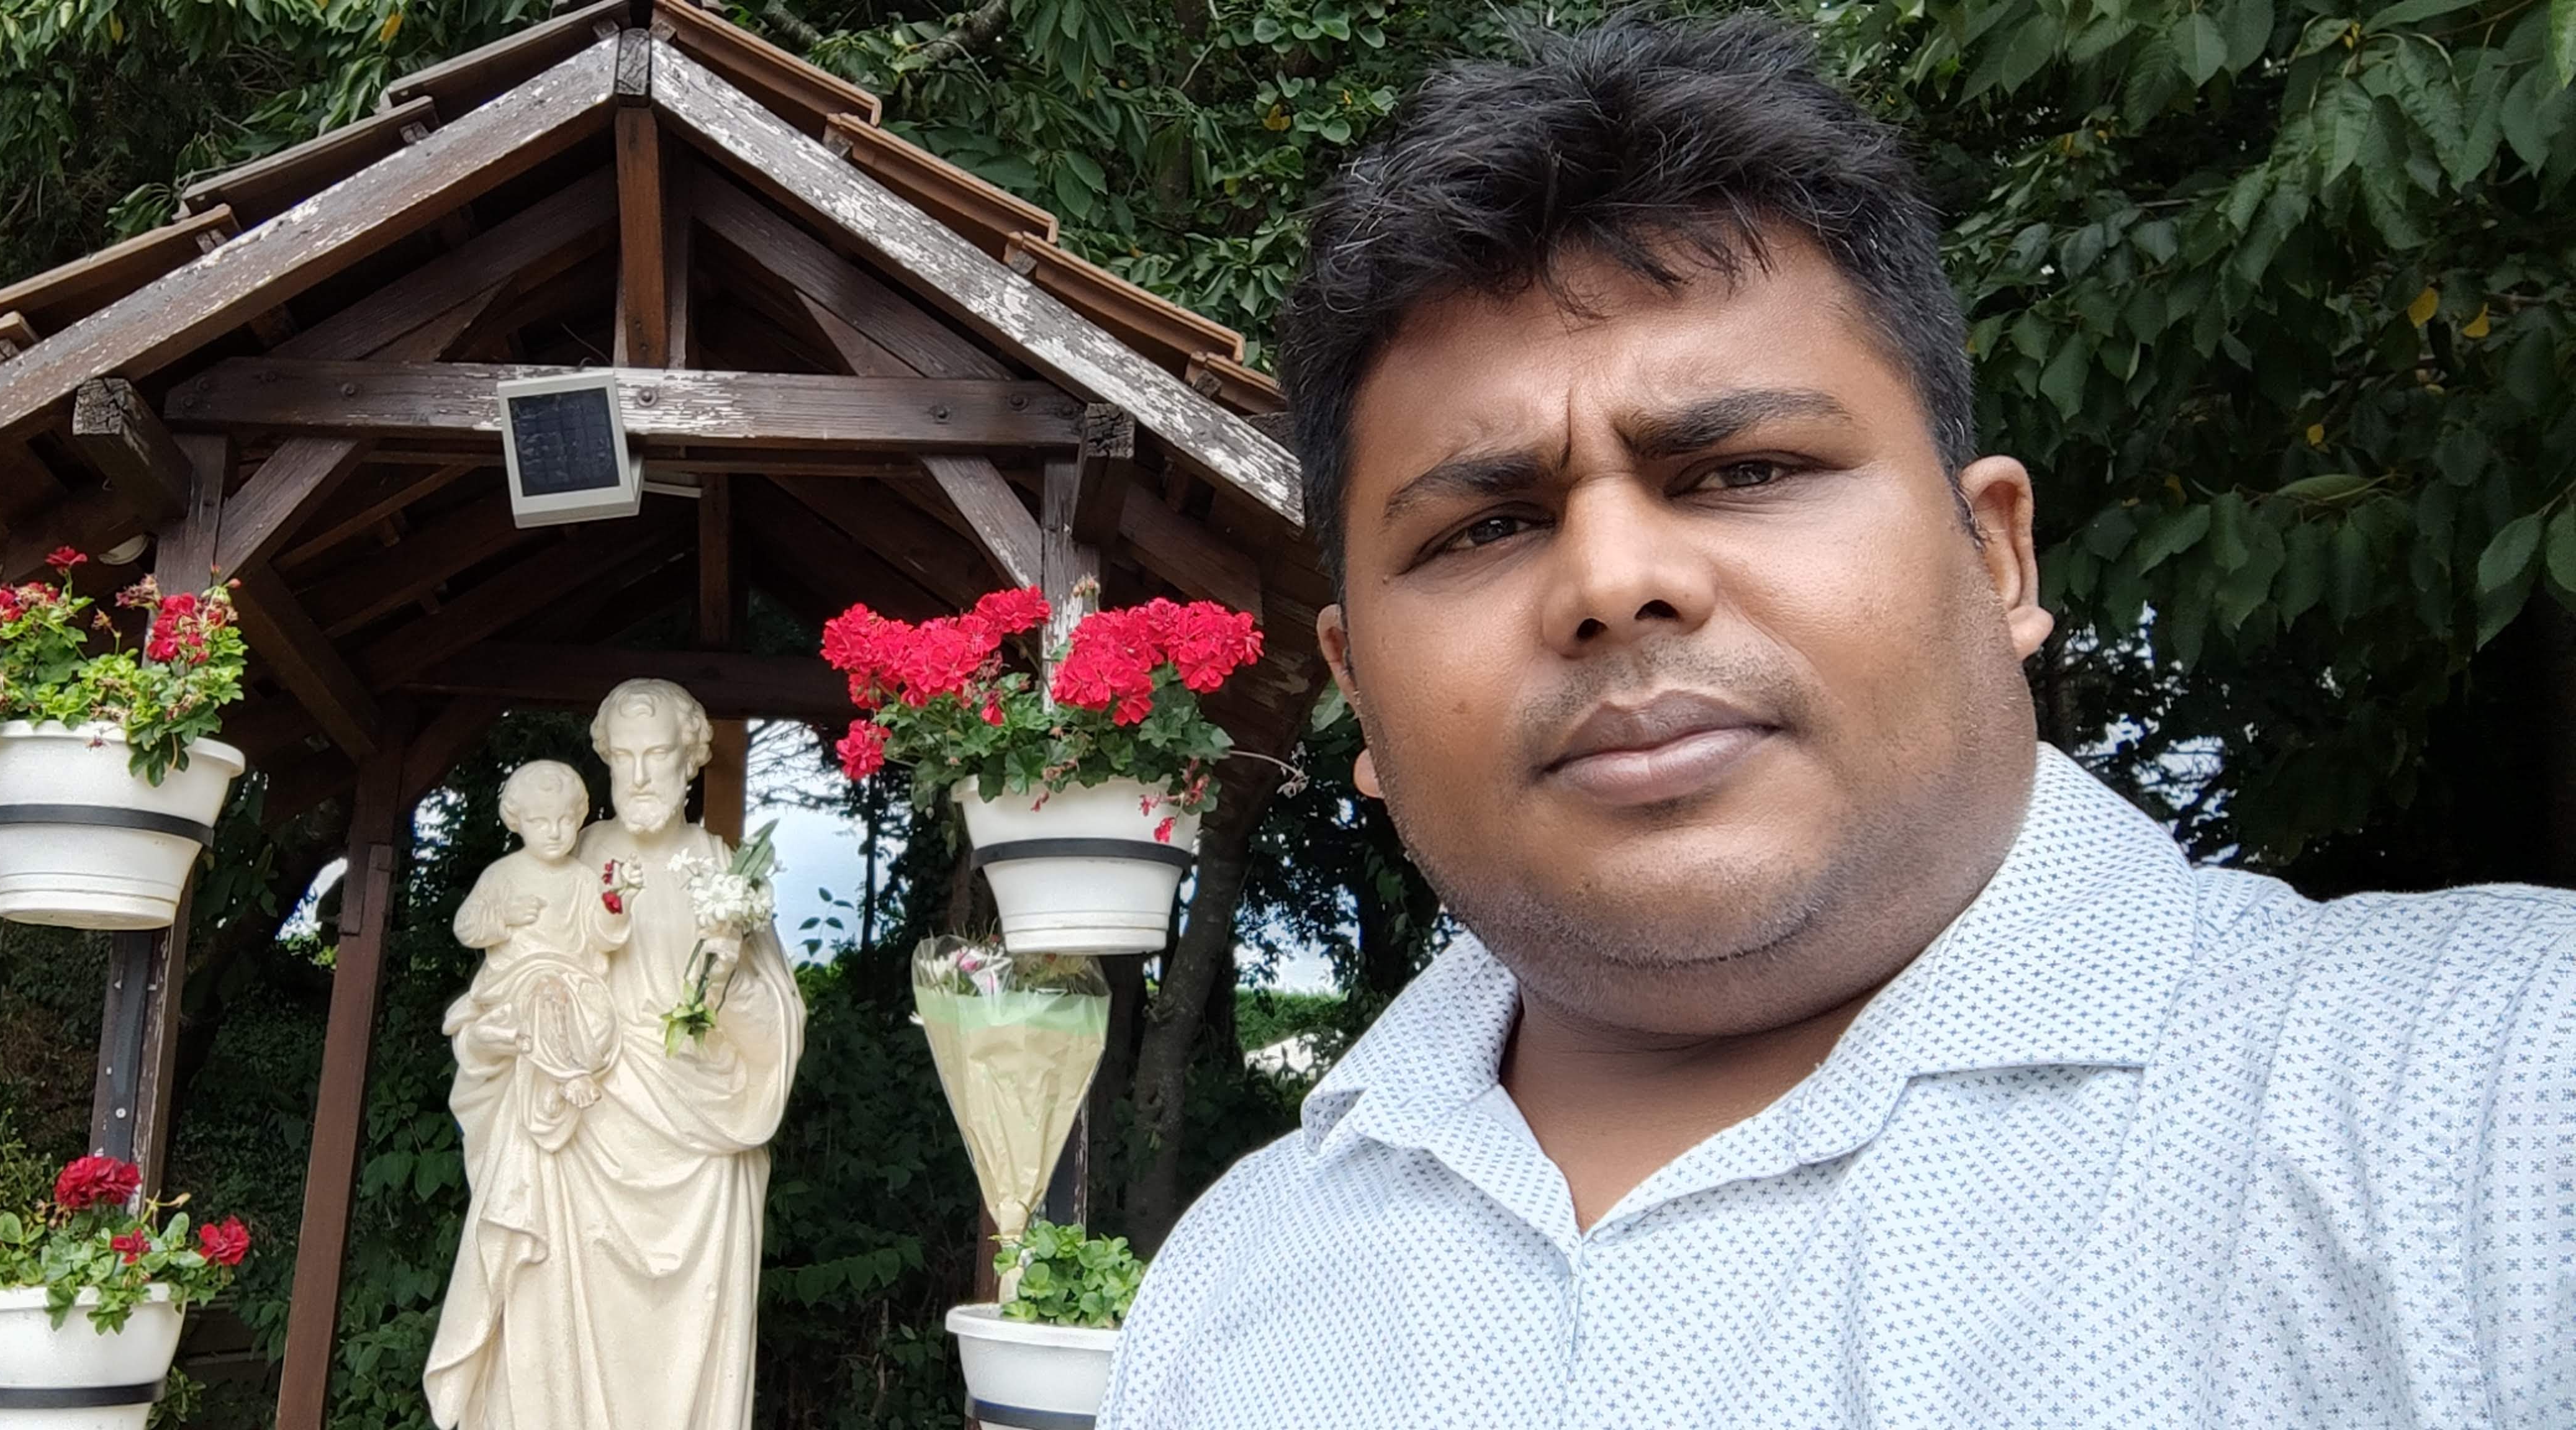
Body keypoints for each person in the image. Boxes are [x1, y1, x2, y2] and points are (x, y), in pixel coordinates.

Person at [1100, 14, 2575, 1428]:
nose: (1612, 582)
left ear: (1995, 559)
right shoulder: (1230, 1281)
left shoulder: (2489, 1098)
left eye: (1742, 470)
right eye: (1484, 528)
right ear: (1357, 689)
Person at [423, 680, 805, 1430]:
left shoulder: (725, 874)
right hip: (578, 1133)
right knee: (548, 1332)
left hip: (696, 1144)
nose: (637, 775)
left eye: (656, 754)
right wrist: (493, 1039)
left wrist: (725, 976)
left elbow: (775, 1036)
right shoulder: (569, 858)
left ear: (690, 761)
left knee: (682, 1357)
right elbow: (503, 989)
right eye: (621, 757)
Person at [445, 759, 631, 1146]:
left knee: (584, 1010)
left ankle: (551, 1089)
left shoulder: (582, 879)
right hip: (516, 981)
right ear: (518, 822)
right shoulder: (503, 874)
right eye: (540, 822)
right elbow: (466, 927)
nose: (555, 832)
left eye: (565, 820)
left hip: (575, 982)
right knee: (545, 991)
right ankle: (567, 1074)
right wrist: (503, 916)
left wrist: (617, 902)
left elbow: (602, 938)